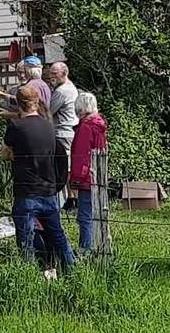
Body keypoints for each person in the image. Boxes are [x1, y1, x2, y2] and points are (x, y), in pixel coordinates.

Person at [2, 84, 74, 274]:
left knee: (25, 238)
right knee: (57, 235)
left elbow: (5, 153)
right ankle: (72, 269)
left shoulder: (16, 127)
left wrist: (14, 155)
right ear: (36, 102)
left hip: (26, 192)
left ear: (18, 104)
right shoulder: (50, 127)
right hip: (49, 190)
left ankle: (29, 274)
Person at [70, 92, 108, 255]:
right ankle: (97, 246)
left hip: (86, 177)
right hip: (98, 174)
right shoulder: (99, 125)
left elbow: (81, 154)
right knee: (96, 213)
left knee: (84, 216)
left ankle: (86, 249)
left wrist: (75, 178)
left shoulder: (85, 127)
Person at [49, 61, 78, 208]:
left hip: (62, 131)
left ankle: (71, 198)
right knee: (67, 165)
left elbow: (49, 110)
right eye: (51, 73)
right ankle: (71, 198)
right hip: (68, 130)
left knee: (64, 166)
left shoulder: (62, 91)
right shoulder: (69, 87)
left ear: (64, 73)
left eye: (55, 74)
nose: (51, 77)